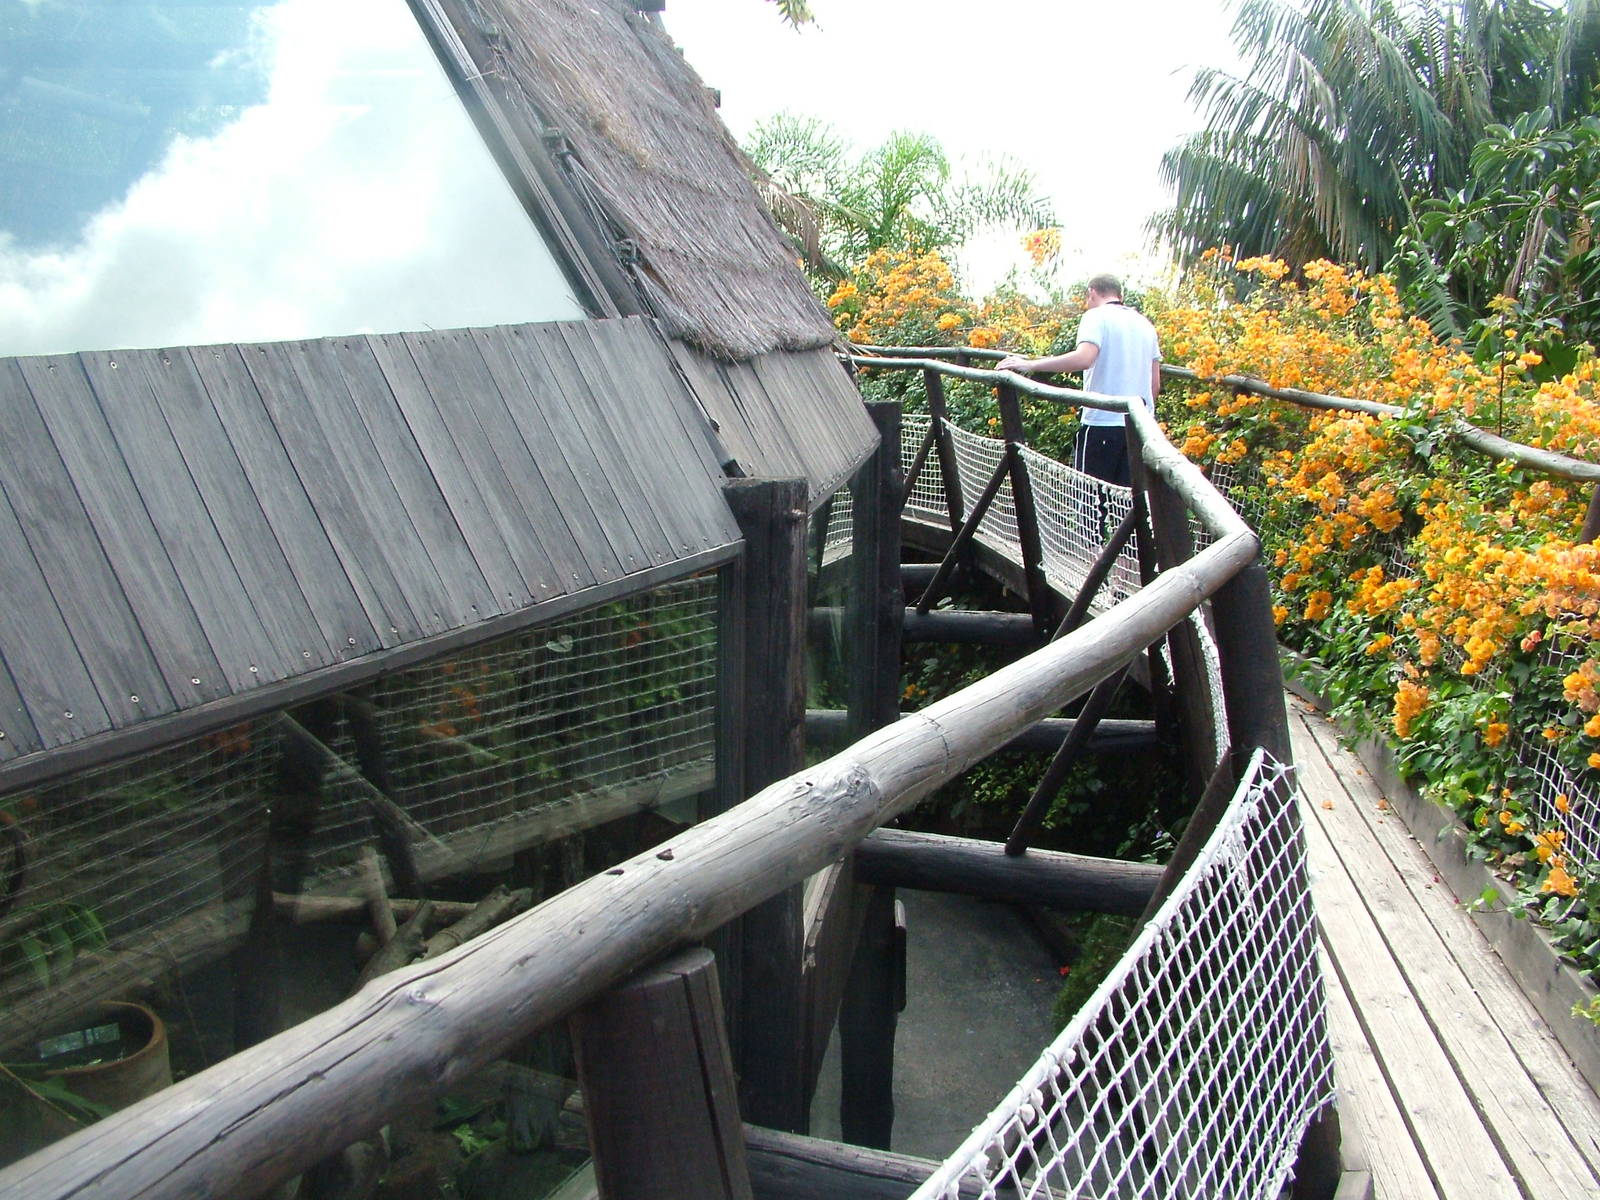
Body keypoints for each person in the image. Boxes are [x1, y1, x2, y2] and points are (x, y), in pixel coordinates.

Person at [995, 274, 1160, 487]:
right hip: (1139, 427)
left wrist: (1031, 365)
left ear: (1092, 292)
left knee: (1090, 504)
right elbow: (1154, 384)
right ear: (1120, 295)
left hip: (1101, 423)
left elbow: (1085, 358)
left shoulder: (1096, 317)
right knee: (1128, 506)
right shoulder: (1145, 324)